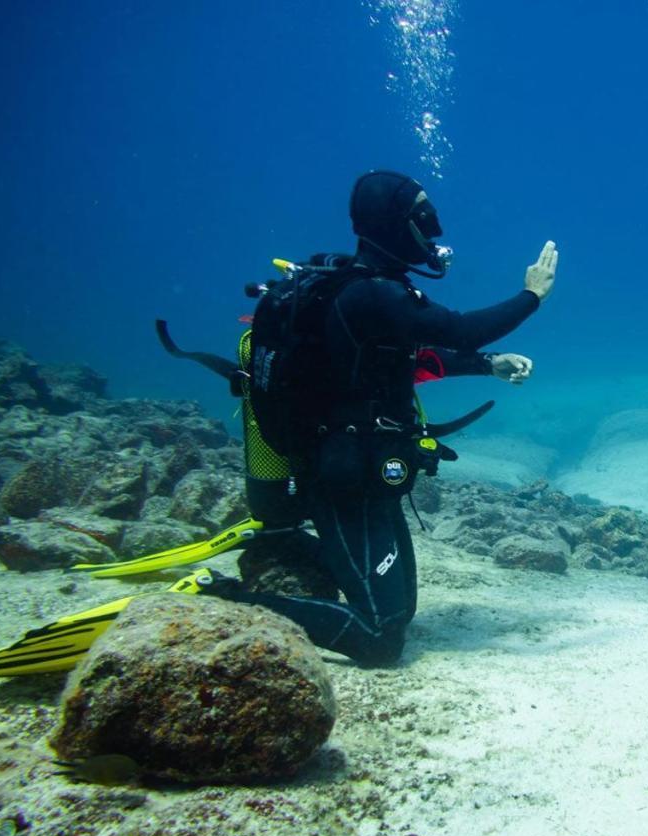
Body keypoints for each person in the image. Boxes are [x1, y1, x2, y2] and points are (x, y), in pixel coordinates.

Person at [202, 169, 559, 665]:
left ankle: (295, 545)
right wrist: (531, 296)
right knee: (381, 636)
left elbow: (399, 361)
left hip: (369, 471)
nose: (433, 233)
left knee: (401, 612)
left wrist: (485, 366)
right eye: (424, 219)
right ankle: (225, 599)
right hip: (342, 478)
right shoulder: (374, 293)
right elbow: (457, 330)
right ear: (396, 224)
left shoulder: (371, 291)